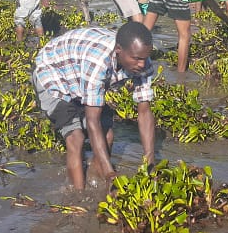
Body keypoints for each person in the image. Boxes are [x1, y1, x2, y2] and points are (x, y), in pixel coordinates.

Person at [31, 22, 156, 190]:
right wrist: (111, 174)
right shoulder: (99, 61)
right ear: (119, 50)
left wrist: (150, 162)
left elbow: (145, 112)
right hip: (53, 74)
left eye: (144, 58)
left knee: (108, 135)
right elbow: (92, 121)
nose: (141, 64)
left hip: (80, 74)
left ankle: (96, 180)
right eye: (136, 59)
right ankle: (78, 197)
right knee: (76, 138)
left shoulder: (143, 62)